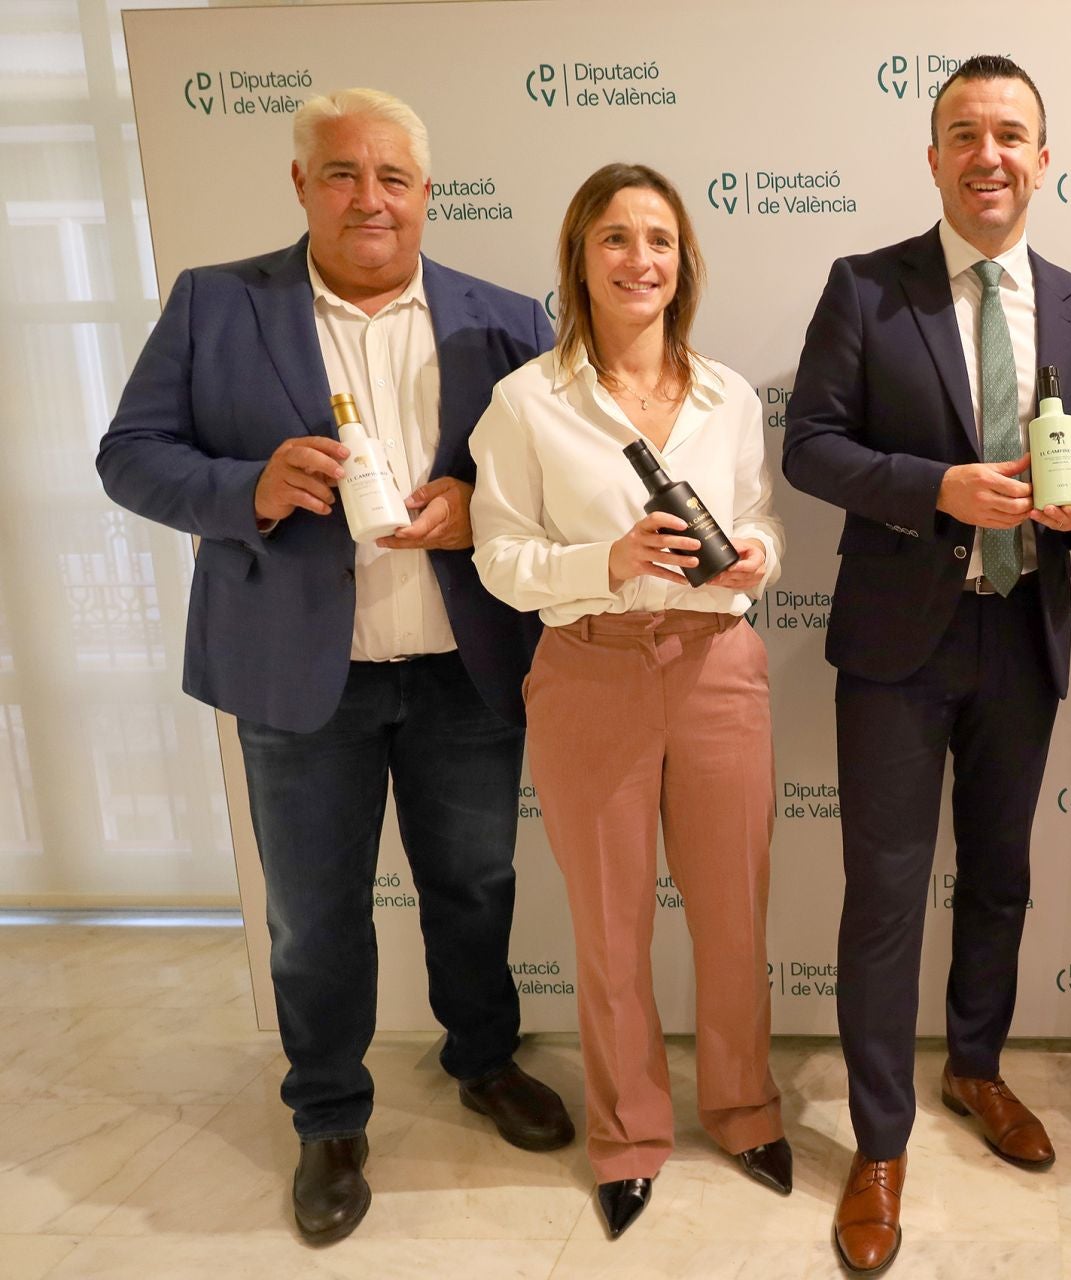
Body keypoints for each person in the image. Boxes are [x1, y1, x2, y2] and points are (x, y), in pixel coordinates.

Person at [94, 88, 572, 1245]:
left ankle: (484, 1057)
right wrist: (245, 488)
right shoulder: (217, 304)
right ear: (301, 185)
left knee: (475, 883)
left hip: (465, 669)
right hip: (299, 678)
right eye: (344, 173)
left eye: (393, 176)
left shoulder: (507, 318)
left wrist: (482, 504)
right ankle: (329, 1115)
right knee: (313, 916)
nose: (371, 197)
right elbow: (130, 457)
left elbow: (566, 474)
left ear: (424, 192)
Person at [783, 53, 1071, 1275]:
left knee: (999, 877)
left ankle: (977, 1067)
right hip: (894, 644)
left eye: (1012, 133)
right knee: (883, 896)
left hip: (1021, 634)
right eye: (964, 132)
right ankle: (880, 1142)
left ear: (1045, 158)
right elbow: (811, 448)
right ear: (933, 157)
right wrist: (936, 487)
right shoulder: (866, 288)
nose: (990, 153)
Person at [469, 163, 789, 1241]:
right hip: (590, 671)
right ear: (581, 257)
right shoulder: (526, 402)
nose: (639, 258)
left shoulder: (729, 395)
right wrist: (604, 560)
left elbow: (761, 522)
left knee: (733, 912)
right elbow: (500, 559)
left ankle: (744, 1111)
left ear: (683, 261)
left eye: (658, 238)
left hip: (716, 668)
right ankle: (628, 1135)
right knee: (609, 929)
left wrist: (755, 555)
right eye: (615, 237)